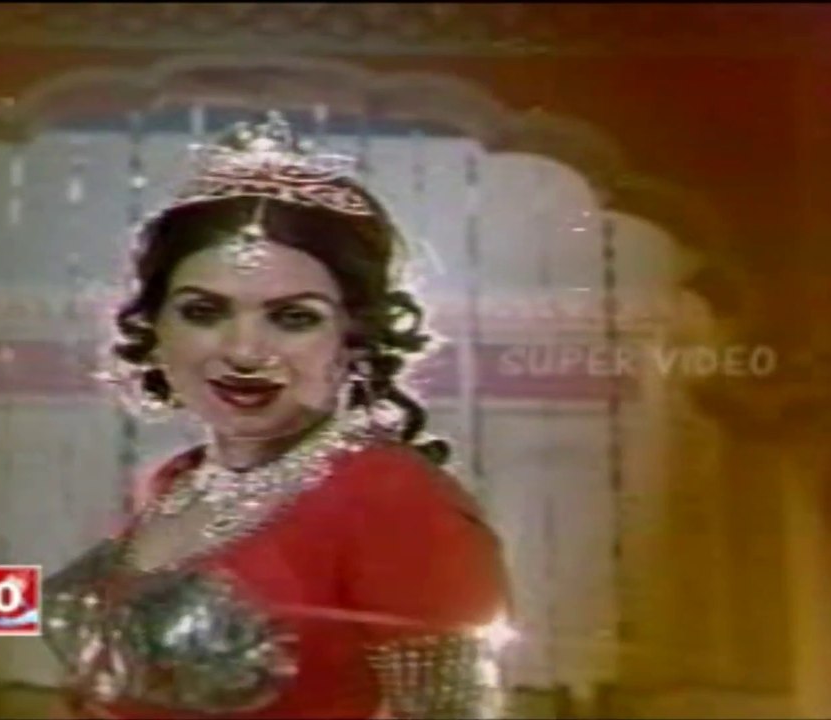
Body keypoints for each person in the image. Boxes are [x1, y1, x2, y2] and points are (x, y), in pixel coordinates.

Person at [41, 111, 511, 719]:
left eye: (293, 318)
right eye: (203, 312)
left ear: (353, 338)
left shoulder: (395, 500)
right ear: (154, 328)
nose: (244, 352)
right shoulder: (178, 481)